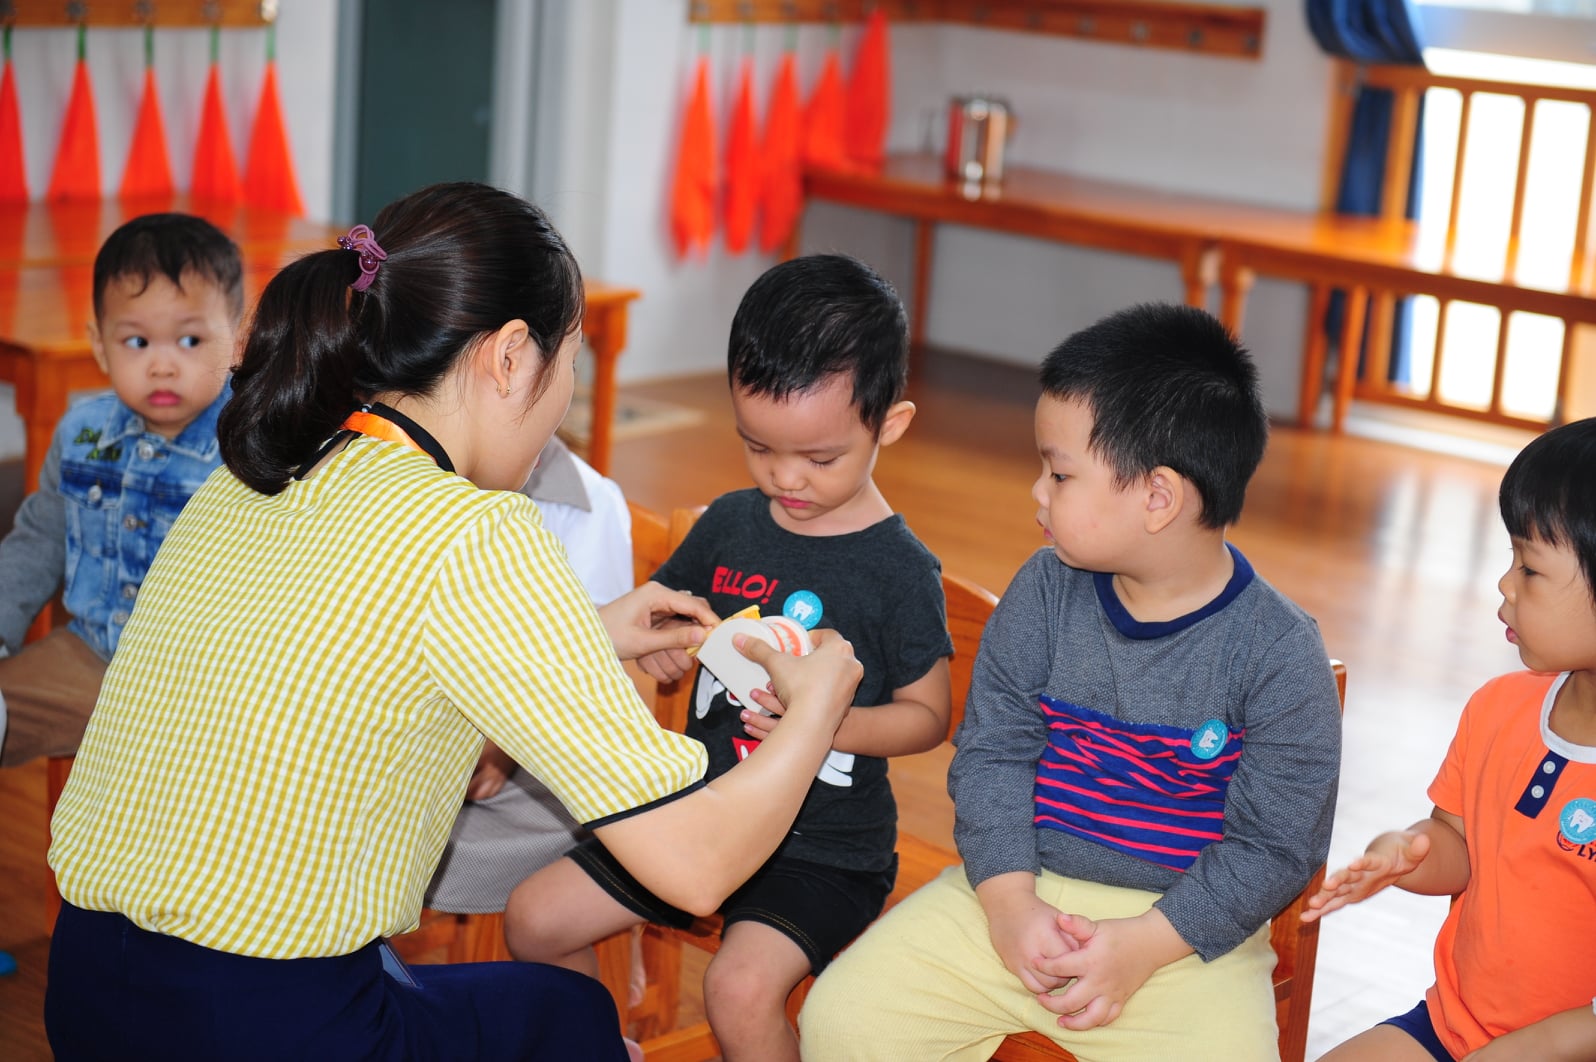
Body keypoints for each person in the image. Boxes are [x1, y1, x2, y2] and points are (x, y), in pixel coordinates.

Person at [45, 182, 863, 1062]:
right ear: (509, 356)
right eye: (569, 363)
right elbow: (695, 866)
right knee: (571, 1018)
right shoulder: (477, 531)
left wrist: (586, 633)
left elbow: (357, 655)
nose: (565, 398)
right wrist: (818, 706)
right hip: (258, 1024)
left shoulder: (257, 474)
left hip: (91, 994)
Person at [798, 302, 1344, 1062]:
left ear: (1158, 498)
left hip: (1183, 936)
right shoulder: (1044, 592)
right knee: (843, 1021)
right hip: (1013, 889)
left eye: (1058, 473)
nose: (1037, 491)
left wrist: (1147, 942)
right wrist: (1008, 902)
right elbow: (992, 756)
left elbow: (1275, 847)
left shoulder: (1279, 653)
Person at [505, 253, 954, 1062]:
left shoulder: (900, 569)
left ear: (890, 424)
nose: (785, 478)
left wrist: (825, 722)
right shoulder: (731, 524)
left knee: (739, 991)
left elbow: (928, 717)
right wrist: (667, 650)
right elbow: (667, 619)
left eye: (819, 459)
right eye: (758, 447)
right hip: (699, 816)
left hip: (824, 851)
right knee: (536, 919)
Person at [1302, 417, 1596, 1062]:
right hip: (1453, 1027)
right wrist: (1405, 854)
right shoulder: (1498, 708)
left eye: (1530, 568)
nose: (1505, 584)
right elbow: (1459, 847)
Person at [0, 212, 242, 768]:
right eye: (137, 341)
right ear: (101, 345)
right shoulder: (82, 435)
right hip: (89, 658)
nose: (162, 365)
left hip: (206, 681)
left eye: (190, 340)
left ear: (236, 337)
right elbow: (37, 542)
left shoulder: (253, 442)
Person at [424, 434, 634, 917]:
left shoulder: (589, 502)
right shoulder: (413, 482)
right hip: (435, 733)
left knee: (595, 823)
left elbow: (589, 677)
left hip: (530, 740)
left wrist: (500, 749)